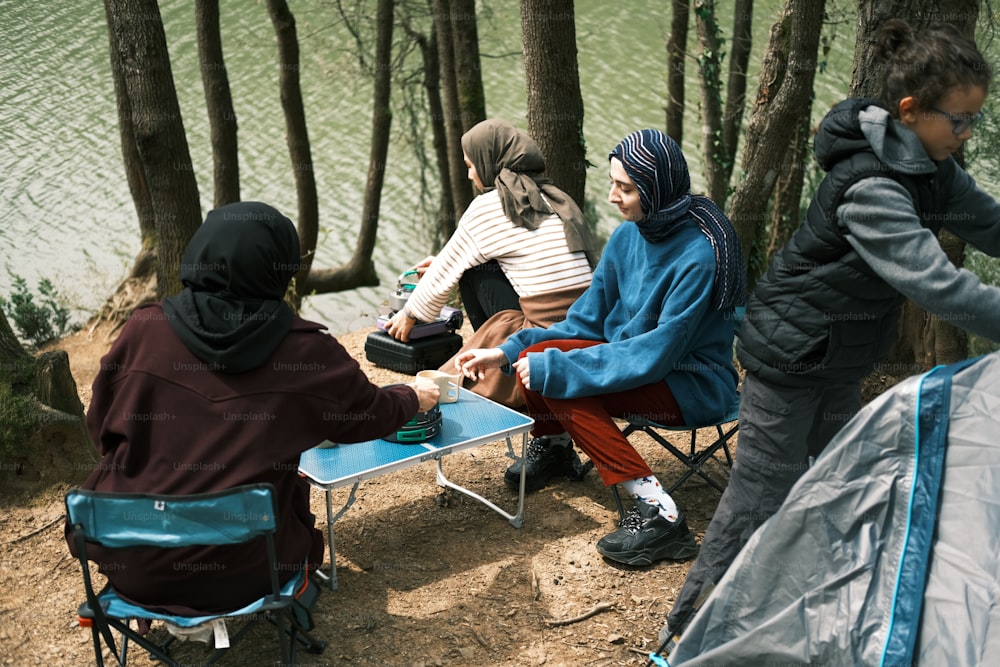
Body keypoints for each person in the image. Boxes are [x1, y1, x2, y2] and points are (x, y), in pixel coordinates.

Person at [661, 18, 1000, 649]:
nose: (967, 132)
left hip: (839, 358)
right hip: (789, 358)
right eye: (959, 119)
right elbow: (939, 286)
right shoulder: (872, 186)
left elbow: (990, 222)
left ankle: (808, 619)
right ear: (911, 110)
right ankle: (686, 639)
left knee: (845, 484)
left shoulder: (930, 164)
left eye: (973, 119)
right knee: (760, 498)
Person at [66, 201, 439, 616]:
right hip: (248, 572)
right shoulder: (305, 351)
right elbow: (367, 414)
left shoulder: (144, 329)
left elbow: (100, 428)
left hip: (133, 563)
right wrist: (413, 396)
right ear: (279, 268)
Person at [456, 129, 745, 564]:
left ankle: (658, 513)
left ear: (656, 189)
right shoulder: (631, 234)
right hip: (639, 362)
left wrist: (561, 369)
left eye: (625, 188)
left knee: (555, 376)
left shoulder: (698, 257)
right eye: (612, 183)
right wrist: (506, 351)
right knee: (533, 362)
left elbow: (654, 354)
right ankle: (554, 447)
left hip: (692, 383)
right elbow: (584, 322)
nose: (612, 196)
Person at [385, 118, 596, 409]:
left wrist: (408, 316)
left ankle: (494, 363)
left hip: (543, 334)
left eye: (471, 165)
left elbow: (446, 272)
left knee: (469, 269)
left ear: (489, 161)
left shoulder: (492, 204)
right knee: (473, 261)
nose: (471, 175)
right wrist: (447, 260)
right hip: (585, 328)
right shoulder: (551, 196)